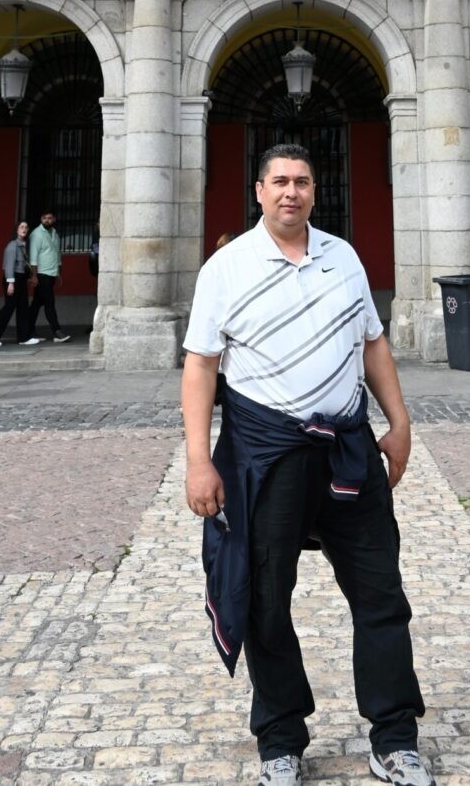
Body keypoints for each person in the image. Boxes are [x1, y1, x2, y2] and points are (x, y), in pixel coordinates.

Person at [182, 143, 434, 786]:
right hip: (266, 452)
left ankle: (395, 738)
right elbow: (201, 366)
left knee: (381, 593)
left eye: (302, 182)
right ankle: (281, 740)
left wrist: (399, 422)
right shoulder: (227, 267)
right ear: (258, 192)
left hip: (348, 447)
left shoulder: (341, 256)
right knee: (266, 599)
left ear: (315, 192)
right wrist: (198, 460)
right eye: (279, 182)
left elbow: (373, 344)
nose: (291, 192)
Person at [0, 221, 41, 348]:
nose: (24, 229)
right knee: (9, 308)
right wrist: (11, 283)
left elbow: (23, 266)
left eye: (26, 227)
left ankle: (24, 337)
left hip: (20, 280)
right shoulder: (12, 245)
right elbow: (9, 265)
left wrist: (29, 278)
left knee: (23, 308)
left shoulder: (24, 246)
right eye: (21, 227)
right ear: (16, 230)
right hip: (12, 279)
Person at [26, 210, 71, 343]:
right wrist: (34, 275)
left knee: (36, 304)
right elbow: (33, 256)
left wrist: (58, 272)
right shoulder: (36, 234)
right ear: (41, 219)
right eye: (44, 218)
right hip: (41, 274)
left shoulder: (55, 234)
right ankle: (57, 332)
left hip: (51, 274)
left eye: (49, 218)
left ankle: (29, 331)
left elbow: (57, 254)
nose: (47, 220)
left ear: (54, 219)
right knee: (49, 303)